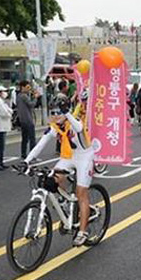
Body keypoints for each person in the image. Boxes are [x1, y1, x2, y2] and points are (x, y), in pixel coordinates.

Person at [21, 94, 94, 247]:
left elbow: (79, 128)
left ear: (66, 111)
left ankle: (83, 231)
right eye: (52, 113)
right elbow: (41, 144)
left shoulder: (74, 121)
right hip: (68, 157)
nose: (55, 116)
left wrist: (67, 113)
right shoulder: (55, 127)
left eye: (58, 112)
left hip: (84, 157)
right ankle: (66, 208)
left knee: (81, 193)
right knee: (53, 180)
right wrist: (26, 161)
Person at [0, 86, 12, 171]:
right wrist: (9, 113)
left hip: (3, 126)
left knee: (2, 145)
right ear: (0, 92)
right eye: (4, 91)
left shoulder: (1, 101)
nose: (6, 93)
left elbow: (9, 110)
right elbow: (4, 113)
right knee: (0, 145)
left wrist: (9, 112)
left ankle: (0, 162)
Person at [17, 80, 38, 159]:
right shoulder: (24, 96)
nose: (29, 89)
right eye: (27, 87)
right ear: (23, 87)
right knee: (32, 139)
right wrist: (35, 98)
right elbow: (31, 104)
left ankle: (23, 154)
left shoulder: (19, 96)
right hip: (28, 120)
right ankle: (32, 156)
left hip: (23, 120)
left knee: (25, 139)